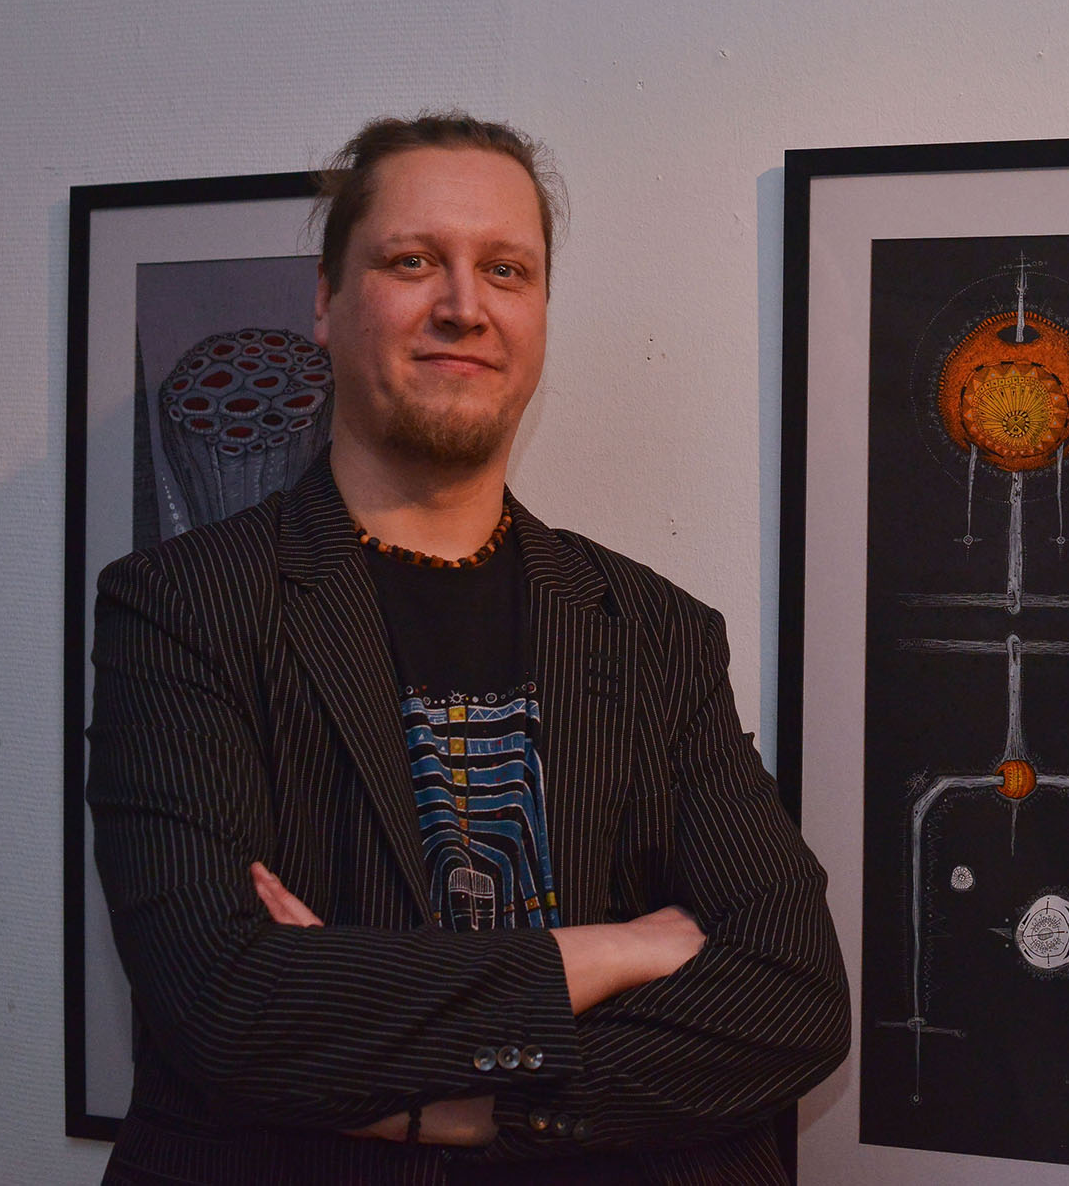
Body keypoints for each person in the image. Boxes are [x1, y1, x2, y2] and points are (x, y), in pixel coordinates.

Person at [86, 113, 849, 1184]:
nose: (463, 304)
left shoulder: (656, 632)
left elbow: (795, 997)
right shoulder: (183, 608)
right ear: (325, 299)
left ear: (538, 312)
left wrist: (463, 1108)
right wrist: (606, 952)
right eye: (412, 261)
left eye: (505, 268)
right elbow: (224, 1004)